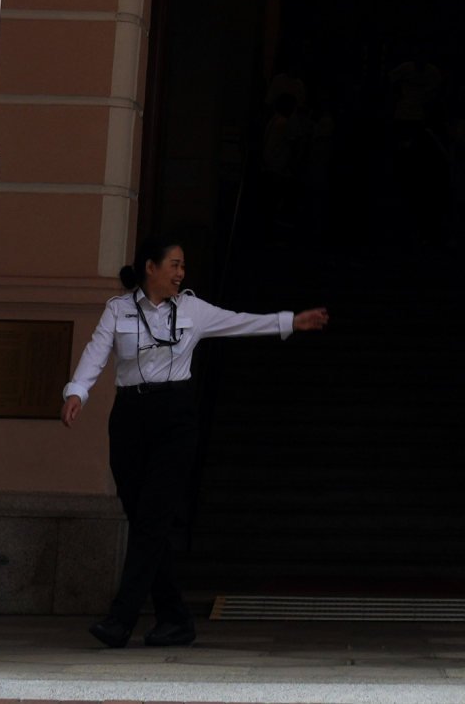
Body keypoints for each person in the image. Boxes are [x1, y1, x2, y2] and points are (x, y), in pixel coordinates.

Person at [60, 237, 328, 647]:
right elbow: (97, 352)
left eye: (183, 266)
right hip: (130, 417)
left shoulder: (192, 309)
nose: (181, 273)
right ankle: (176, 619)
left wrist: (290, 321)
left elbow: (240, 321)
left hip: (175, 420)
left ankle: (120, 619)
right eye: (174, 265)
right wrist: (77, 392)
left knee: (152, 519)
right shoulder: (118, 309)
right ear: (150, 267)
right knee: (147, 520)